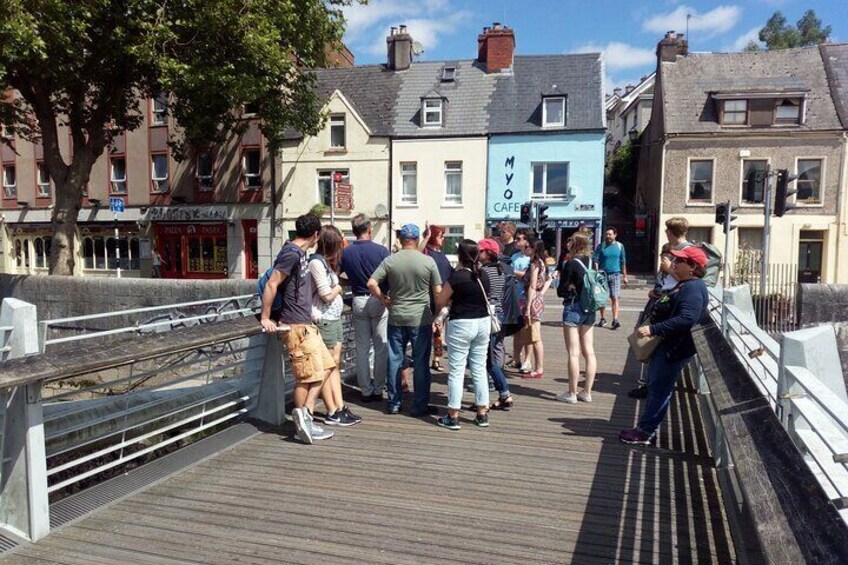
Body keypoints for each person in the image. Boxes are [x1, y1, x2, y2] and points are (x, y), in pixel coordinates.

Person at [619, 246, 709, 446]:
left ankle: (645, 432)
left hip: (673, 349)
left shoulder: (693, 288)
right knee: (656, 387)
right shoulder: (684, 284)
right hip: (668, 346)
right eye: (675, 260)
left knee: (660, 390)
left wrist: (654, 329)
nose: (675, 263)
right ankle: (646, 428)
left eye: (680, 261)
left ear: (693, 267)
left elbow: (687, 318)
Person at [259, 214, 337, 444]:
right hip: (295, 326)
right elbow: (273, 282)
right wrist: (265, 318)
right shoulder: (291, 254)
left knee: (325, 366)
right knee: (306, 377)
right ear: (315, 235)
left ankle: (306, 418)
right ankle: (302, 423)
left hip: (305, 324)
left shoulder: (299, 253)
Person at [367, 224, 442, 416]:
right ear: (417, 239)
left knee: (395, 359)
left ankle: (393, 403)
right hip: (421, 318)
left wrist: (384, 299)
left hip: (397, 316)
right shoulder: (428, 261)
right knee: (421, 362)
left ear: (400, 240)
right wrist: (437, 315)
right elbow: (438, 292)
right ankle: (419, 405)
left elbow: (371, 283)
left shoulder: (391, 260)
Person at [630, 217, 691, 399]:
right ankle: (651, 385)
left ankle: (654, 388)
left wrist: (668, 269)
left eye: (666, 231)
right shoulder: (677, 250)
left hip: (670, 304)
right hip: (663, 301)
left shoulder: (686, 251)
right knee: (654, 346)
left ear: (670, 232)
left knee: (657, 345)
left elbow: (689, 278)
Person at [435, 239, 492, 430]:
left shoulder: (457, 277)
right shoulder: (483, 275)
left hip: (461, 324)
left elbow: (440, 300)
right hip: (483, 323)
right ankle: (482, 413)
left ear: (460, 256)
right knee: (479, 369)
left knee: (457, 371)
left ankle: (453, 415)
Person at [309, 225, 361, 427]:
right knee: (328, 365)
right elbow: (326, 294)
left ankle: (339, 407)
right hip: (325, 318)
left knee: (335, 364)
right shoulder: (316, 263)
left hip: (333, 316)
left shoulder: (325, 263)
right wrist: (339, 286)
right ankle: (331, 410)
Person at [340, 214, 390, 403]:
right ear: (369, 229)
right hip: (378, 299)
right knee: (380, 346)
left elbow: (336, 277)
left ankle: (365, 390)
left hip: (358, 299)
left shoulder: (347, 253)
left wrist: (351, 281)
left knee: (361, 347)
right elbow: (389, 277)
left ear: (354, 231)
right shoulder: (381, 251)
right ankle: (378, 388)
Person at [555, 233, 598, 404]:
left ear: (576, 244)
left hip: (574, 307)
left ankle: (572, 393)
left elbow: (561, 290)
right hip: (590, 307)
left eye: (570, 240)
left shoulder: (571, 263)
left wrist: (569, 287)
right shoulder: (593, 262)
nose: (568, 242)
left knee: (573, 353)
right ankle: (586, 391)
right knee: (589, 351)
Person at [478, 238, 513, 410]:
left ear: (487, 253)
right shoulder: (500, 271)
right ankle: (502, 394)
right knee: (491, 357)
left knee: (486, 361)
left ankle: (503, 394)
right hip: (499, 316)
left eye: (480, 251)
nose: (478, 254)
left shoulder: (483, 272)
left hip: (487, 316)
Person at [421, 225, 453, 373]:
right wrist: (426, 238)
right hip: (429, 297)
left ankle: (436, 358)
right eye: (440, 236)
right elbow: (417, 254)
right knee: (429, 329)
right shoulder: (426, 252)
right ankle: (425, 357)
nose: (443, 238)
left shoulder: (442, 254)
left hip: (443, 296)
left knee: (439, 331)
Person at [521, 239, 551, 379]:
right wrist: (542, 294)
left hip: (532, 300)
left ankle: (539, 368)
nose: (524, 248)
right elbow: (549, 279)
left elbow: (532, 286)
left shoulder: (534, 264)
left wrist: (527, 307)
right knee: (534, 335)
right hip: (538, 298)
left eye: (527, 246)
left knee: (535, 336)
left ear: (533, 249)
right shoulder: (542, 262)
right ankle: (538, 367)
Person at [508, 229, 532, 372]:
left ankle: (528, 360)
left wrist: (513, 272)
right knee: (517, 330)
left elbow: (527, 276)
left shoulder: (530, 259)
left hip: (526, 296)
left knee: (527, 330)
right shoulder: (514, 256)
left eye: (519, 239)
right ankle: (516, 358)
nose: (517, 241)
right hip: (515, 296)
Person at [594, 227, 628, 329]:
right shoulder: (601, 246)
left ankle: (615, 319)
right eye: (607, 234)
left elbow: (623, 261)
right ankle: (603, 318)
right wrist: (597, 272)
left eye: (610, 234)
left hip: (615, 275)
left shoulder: (620, 246)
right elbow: (596, 259)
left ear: (615, 235)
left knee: (615, 297)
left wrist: (625, 275)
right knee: (602, 298)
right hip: (603, 275)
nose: (608, 236)